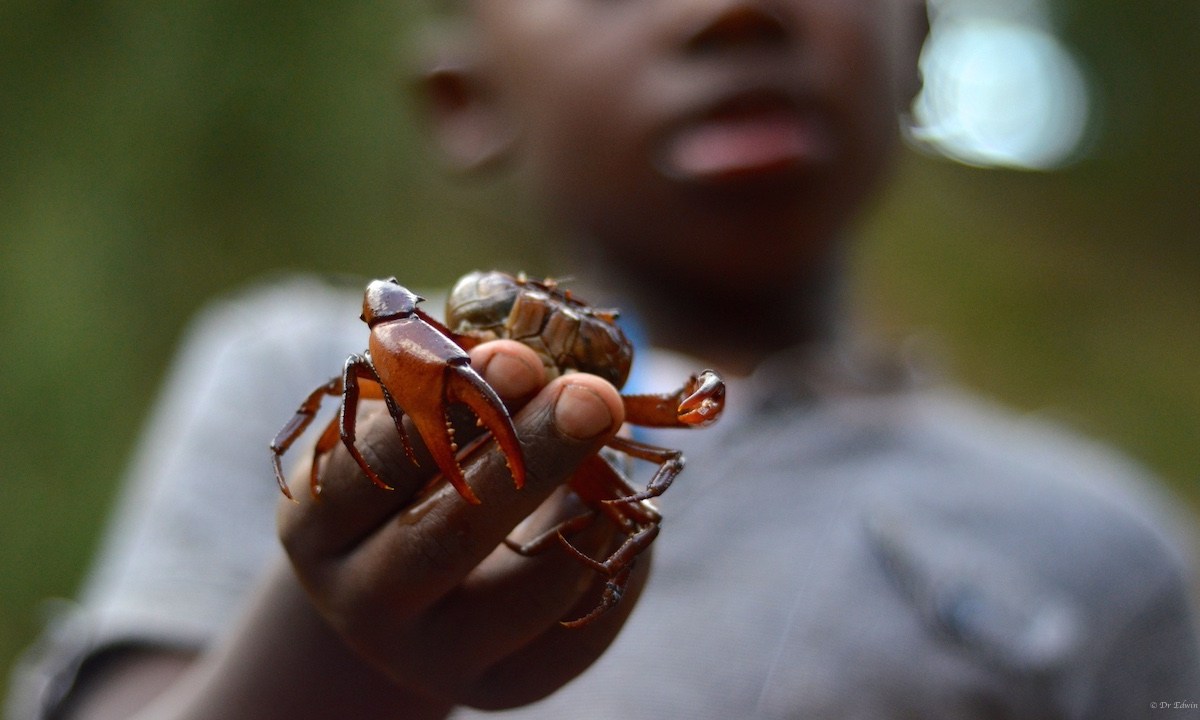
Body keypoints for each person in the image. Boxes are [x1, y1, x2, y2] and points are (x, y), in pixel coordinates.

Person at [9, 0, 1200, 718]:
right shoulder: (284, 355)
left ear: (922, 38)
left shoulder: (1106, 551)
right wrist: (332, 655)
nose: (730, 10)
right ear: (465, 96)